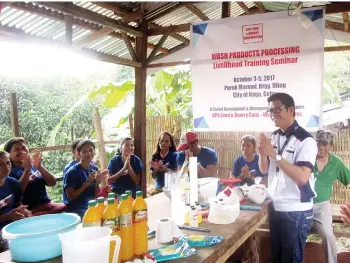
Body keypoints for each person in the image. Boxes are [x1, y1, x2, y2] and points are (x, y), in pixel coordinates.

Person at [258, 93, 317, 263]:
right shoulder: (275, 135)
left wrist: (274, 155)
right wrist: (263, 154)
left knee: (291, 260)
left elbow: (302, 178)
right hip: (276, 205)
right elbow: (265, 169)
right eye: (270, 111)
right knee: (277, 258)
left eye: (277, 109)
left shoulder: (306, 140)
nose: (273, 114)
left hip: (296, 209)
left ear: (291, 110)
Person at [312, 130, 350, 263]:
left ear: (331, 146)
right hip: (302, 204)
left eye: (324, 143)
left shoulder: (336, 163)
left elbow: (349, 179)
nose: (321, 147)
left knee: (328, 236)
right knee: (291, 233)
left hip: (322, 206)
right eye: (318, 143)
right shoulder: (307, 158)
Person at [4, 137, 66, 216]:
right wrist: (27, 169)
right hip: (29, 210)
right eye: (16, 149)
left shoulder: (34, 166)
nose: (21, 151)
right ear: (8, 154)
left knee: (63, 207)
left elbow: (52, 183)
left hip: (46, 205)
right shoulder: (10, 172)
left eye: (23, 147)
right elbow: (17, 192)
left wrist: (39, 167)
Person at [63, 139, 108, 218]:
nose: (89, 153)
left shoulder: (95, 168)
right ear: (78, 153)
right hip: (77, 207)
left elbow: (96, 195)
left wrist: (97, 182)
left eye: (91, 150)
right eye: (84, 151)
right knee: (95, 217)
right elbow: (70, 197)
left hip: (92, 204)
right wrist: (88, 182)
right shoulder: (72, 172)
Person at [0, 151, 31, 252]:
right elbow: (10, 215)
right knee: (13, 246)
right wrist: (8, 216)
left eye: (8, 163)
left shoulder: (14, 183)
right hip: (3, 230)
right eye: (0, 164)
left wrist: (23, 211)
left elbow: (18, 204)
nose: (5, 167)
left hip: (14, 225)